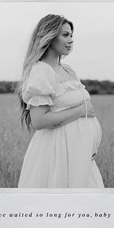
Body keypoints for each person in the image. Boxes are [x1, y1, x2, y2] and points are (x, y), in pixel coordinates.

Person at [16, 14, 104, 188]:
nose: (71, 40)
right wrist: (81, 111)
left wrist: (90, 145)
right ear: (49, 36)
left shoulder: (68, 70)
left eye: (71, 35)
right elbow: (39, 121)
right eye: (65, 35)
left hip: (80, 155)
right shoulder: (42, 71)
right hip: (57, 155)